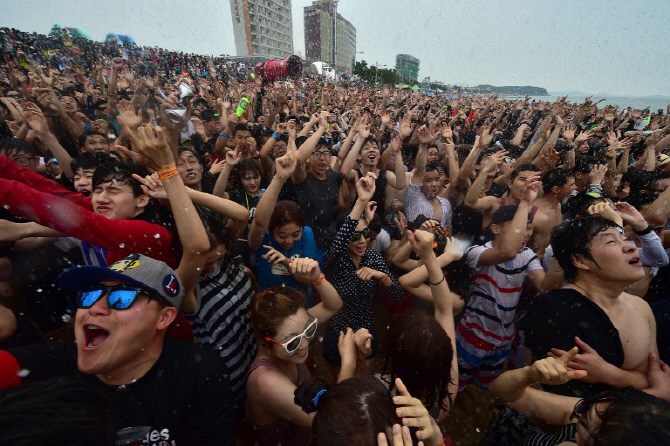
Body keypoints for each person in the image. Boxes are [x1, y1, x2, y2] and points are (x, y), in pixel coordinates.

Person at [0, 254, 237, 445]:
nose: (95, 308)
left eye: (122, 297)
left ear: (163, 318)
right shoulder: (51, 366)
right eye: (90, 295)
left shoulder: (199, 372)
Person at [521, 215, 659, 398]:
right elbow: (555, 395)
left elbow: (655, 378)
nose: (632, 246)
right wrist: (637, 383)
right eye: (611, 242)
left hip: (632, 422)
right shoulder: (556, 310)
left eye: (626, 239)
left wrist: (609, 374)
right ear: (580, 260)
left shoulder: (641, 307)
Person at [245, 258, 344, 446]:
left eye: (309, 330)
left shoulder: (292, 328)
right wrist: (349, 361)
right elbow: (332, 424)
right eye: (292, 342)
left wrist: (317, 279)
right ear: (265, 340)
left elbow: (333, 305)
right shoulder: (265, 382)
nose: (304, 344)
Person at [457, 183, 545, 391]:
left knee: (486, 386)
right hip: (473, 333)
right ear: (495, 229)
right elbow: (506, 252)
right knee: (457, 383)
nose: (524, 232)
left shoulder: (528, 256)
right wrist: (524, 204)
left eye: (528, 226)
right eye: (519, 226)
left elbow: (545, 285)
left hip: (504, 337)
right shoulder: (476, 252)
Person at [489, 348, 670, 446]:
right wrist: (529, 375)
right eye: (586, 406)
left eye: (584, 421)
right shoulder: (597, 416)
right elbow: (507, 395)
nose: (579, 413)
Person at [322, 173, 403, 374]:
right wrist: (361, 200)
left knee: (363, 384)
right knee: (338, 386)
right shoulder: (335, 259)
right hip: (338, 329)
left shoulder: (373, 258)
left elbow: (398, 295)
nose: (361, 241)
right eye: (354, 236)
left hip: (365, 327)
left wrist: (381, 277)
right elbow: (340, 240)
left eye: (366, 234)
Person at [248, 151, 318, 299]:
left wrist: (286, 262)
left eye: (295, 234)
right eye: (281, 235)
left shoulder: (307, 234)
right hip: (272, 307)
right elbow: (259, 222)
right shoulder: (262, 238)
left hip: (302, 304)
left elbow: (307, 280)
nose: (289, 241)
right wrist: (279, 177)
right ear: (271, 230)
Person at [404, 126, 453, 229]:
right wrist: (423, 145)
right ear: (421, 182)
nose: (434, 184)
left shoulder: (446, 204)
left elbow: (448, 229)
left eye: (437, 179)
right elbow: (419, 171)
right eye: (429, 180)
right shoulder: (414, 197)